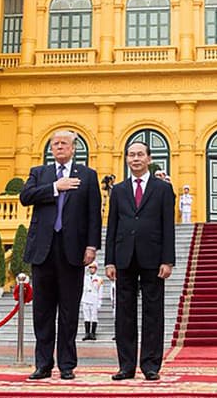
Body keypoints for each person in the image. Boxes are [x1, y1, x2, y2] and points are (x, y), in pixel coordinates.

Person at [19, 128, 102, 381]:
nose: (59, 147)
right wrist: (55, 187)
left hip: (73, 251)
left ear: (74, 148)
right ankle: (43, 364)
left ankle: (67, 365)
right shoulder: (39, 173)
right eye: (55, 144)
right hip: (43, 249)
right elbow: (25, 197)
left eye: (64, 143)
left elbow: (93, 214)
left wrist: (91, 247)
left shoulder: (87, 176)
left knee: (69, 310)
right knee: (42, 311)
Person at [105, 140, 176, 381]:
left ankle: (150, 365)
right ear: (126, 159)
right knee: (124, 314)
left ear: (149, 158)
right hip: (124, 257)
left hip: (153, 258)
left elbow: (168, 226)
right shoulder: (119, 190)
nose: (135, 159)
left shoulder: (163, 189)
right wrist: (109, 261)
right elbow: (112, 226)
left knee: (152, 313)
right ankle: (126, 366)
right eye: (131, 155)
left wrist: (168, 260)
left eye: (140, 155)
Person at [80, 262, 103, 341]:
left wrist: (100, 301)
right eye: (90, 267)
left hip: (94, 299)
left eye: (93, 267)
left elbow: (100, 291)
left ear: (96, 269)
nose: (91, 269)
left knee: (94, 317)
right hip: (86, 298)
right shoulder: (85, 278)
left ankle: (93, 333)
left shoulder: (99, 279)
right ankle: (87, 333)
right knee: (86, 316)